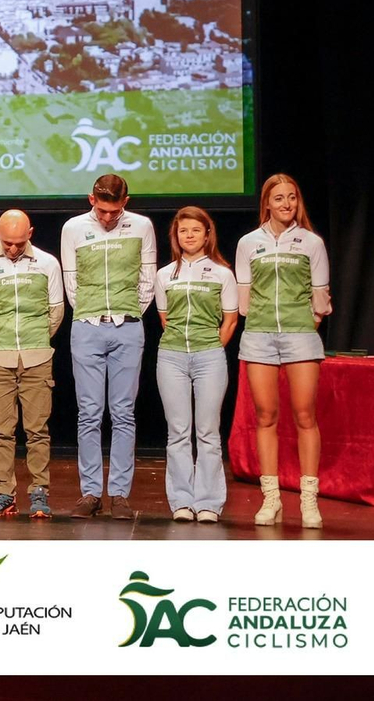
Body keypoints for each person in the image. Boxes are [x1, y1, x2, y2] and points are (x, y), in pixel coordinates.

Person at [236, 173, 332, 528]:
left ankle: (309, 501)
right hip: (258, 335)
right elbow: (244, 298)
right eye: (279, 198)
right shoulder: (248, 242)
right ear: (267, 203)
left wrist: (303, 323)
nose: (286, 204)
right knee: (265, 416)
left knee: (305, 415)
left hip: (300, 335)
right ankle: (271, 499)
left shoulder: (311, 242)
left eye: (291, 197)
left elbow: (320, 298)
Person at [60, 173, 157, 521]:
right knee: (88, 412)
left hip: (128, 327)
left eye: (114, 212)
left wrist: (127, 312)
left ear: (125, 203)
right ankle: (90, 491)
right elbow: (71, 281)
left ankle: (118, 493)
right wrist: (91, 314)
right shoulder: (73, 228)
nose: (107, 218)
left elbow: (148, 277)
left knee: (123, 412)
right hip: (86, 327)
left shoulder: (141, 226)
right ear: (91, 200)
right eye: (101, 210)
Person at [0, 209, 64, 520]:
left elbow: (55, 311)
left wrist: (35, 339)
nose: (13, 249)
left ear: (31, 234)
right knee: (1, 431)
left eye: (19, 243)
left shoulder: (48, 263)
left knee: (37, 430)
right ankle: (4, 494)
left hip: (38, 356)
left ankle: (40, 493)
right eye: (8, 242)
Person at [154, 207, 238, 523]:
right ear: (176, 236)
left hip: (210, 357)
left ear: (207, 234)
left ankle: (208, 503)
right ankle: (181, 501)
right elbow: (165, 319)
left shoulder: (221, 273)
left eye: (195, 230)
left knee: (207, 431)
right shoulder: (165, 275)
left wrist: (211, 347)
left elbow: (230, 320)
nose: (189, 236)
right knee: (178, 431)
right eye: (183, 231)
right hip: (172, 356)